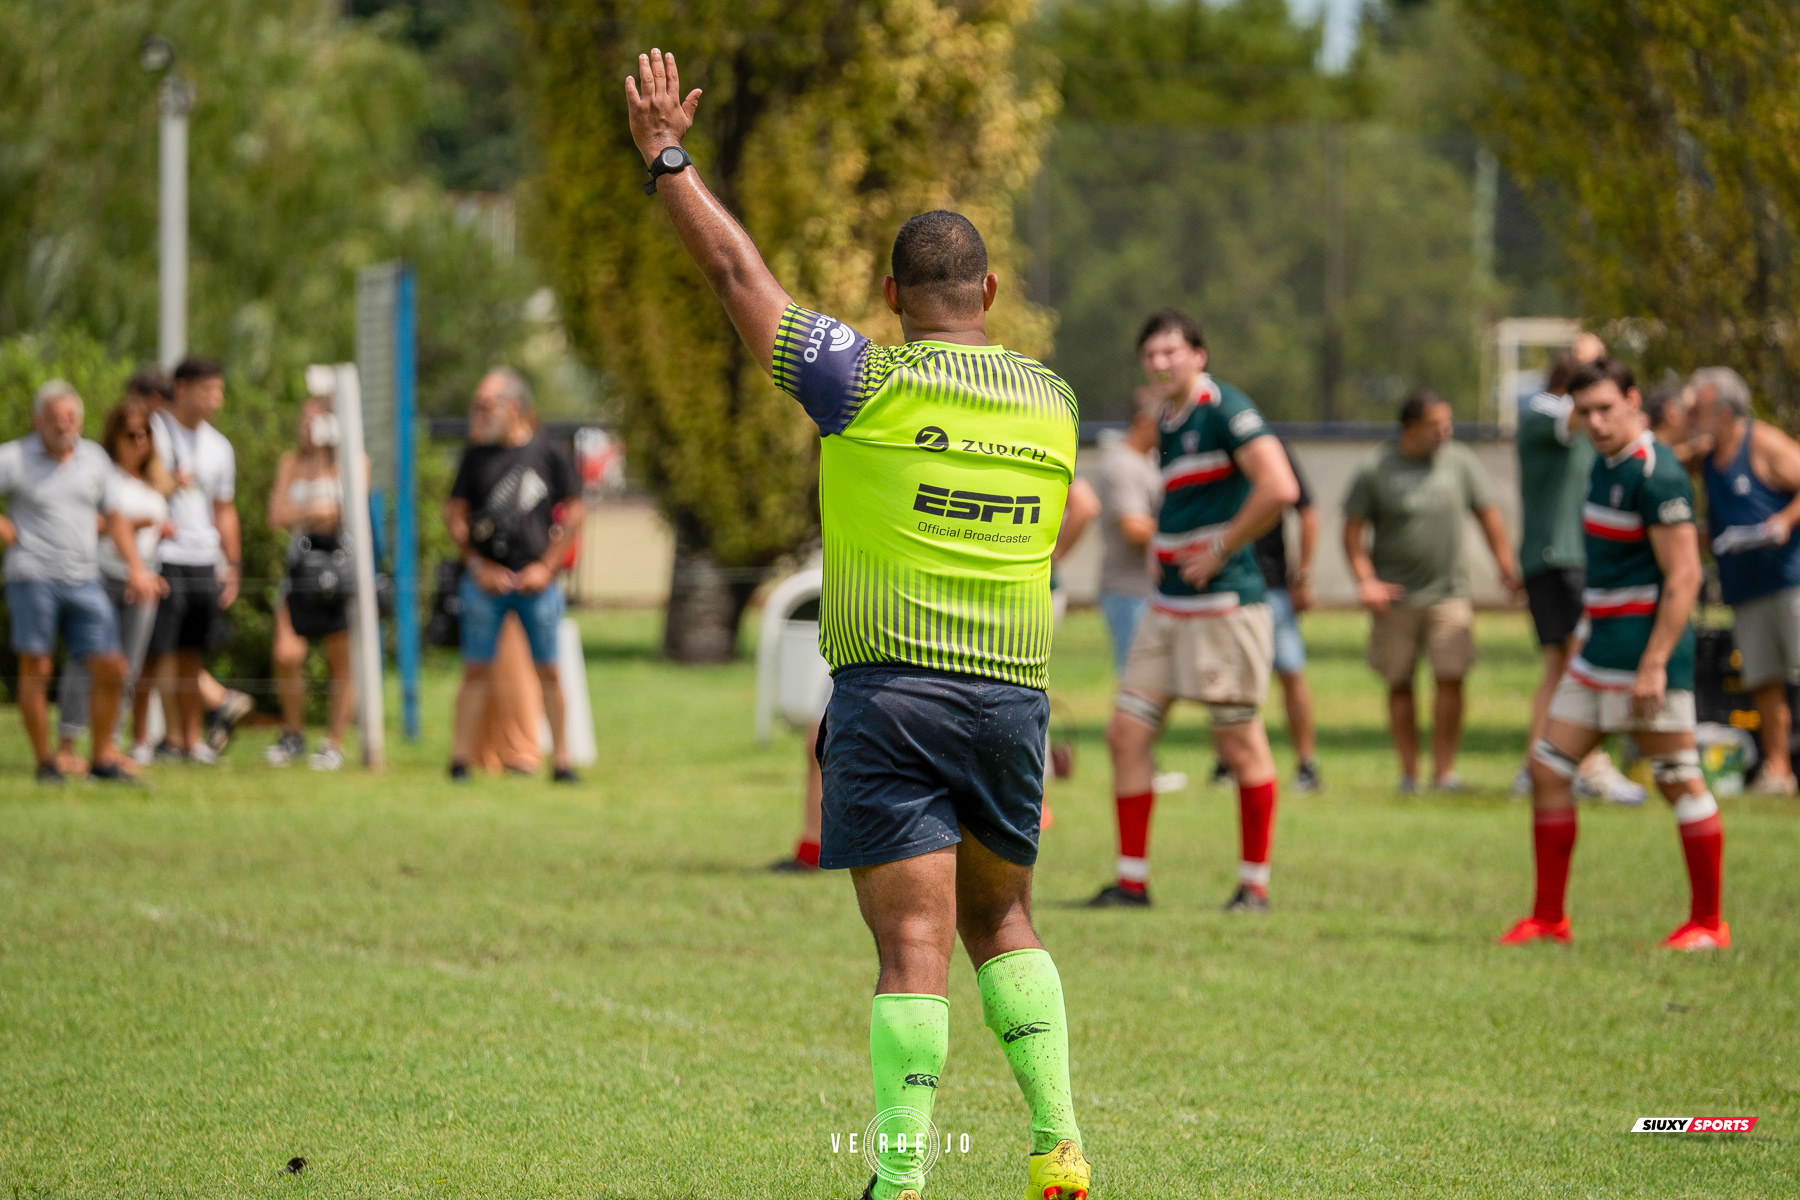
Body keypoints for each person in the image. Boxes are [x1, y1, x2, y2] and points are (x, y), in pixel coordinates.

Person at [626, 49, 1090, 1200]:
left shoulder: (861, 382)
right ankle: (1059, 1145)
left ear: (892, 296)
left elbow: (736, 271)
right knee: (1007, 922)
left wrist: (668, 157)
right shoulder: (1054, 402)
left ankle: (899, 1178)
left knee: (912, 950)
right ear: (989, 293)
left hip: (895, 697)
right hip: (1013, 697)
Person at [1501, 357, 1728, 950]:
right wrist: (1584, 634)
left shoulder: (1658, 473)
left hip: (1644, 659)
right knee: (1549, 769)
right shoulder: (1602, 466)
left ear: (1632, 401)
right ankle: (1549, 920)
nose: (1595, 422)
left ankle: (1709, 925)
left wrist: (1654, 664)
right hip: (1596, 653)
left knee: (1678, 780)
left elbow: (1685, 576)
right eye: (1585, 412)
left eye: (1605, 408)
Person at [1090, 309, 1300, 913]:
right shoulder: (1165, 418)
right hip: (1167, 605)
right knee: (1126, 734)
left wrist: (1220, 547)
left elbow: (1279, 487)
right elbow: (1179, 503)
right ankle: (1131, 883)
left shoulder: (1225, 407)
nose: (1160, 363)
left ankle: (1253, 887)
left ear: (1198, 356)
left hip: (1223, 605)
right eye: (1150, 354)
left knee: (1237, 744)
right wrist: (1161, 545)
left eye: (1171, 352)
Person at [1343, 389, 1521, 792]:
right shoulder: (1376, 468)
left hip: (1449, 592)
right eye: (1435, 425)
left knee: (1451, 678)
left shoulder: (1460, 461)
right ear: (1409, 428)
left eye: (1448, 423)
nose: (1446, 431)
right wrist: (1366, 580)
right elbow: (1352, 532)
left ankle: (1444, 773)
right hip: (1395, 598)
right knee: (1399, 683)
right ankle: (1409, 775)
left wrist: (1506, 567)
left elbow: (1488, 515)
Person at [0, 381, 159, 783]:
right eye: (55, 417)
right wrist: (4, 529)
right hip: (32, 575)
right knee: (38, 666)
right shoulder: (14, 458)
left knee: (111, 666)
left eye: (70, 417)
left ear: (81, 420)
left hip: (84, 577)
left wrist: (136, 567)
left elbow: (115, 517)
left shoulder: (94, 459)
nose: (63, 425)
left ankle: (102, 758)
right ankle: (46, 762)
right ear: (37, 420)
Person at [1512, 345, 1646, 805]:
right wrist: (1592, 360)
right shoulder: (1543, 412)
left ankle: (1539, 764)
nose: (1596, 418)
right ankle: (1586, 765)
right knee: (1583, 662)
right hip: (1560, 557)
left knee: (1561, 664)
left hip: (1562, 557)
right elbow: (1581, 415)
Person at [445, 367, 585, 784]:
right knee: (475, 670)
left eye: (486, 405)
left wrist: (548, 566)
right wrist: (477, 565)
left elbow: (575, 510)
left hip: (537, 585)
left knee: (550, 671)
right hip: (485, 586)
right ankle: (460, 762)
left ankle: (562, 763)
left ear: (514, 406)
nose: (479, 413)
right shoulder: (475, 456)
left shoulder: (549, 452)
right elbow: (454, 514)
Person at [1693, 365, 1800, 795]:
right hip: (1744, 590)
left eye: (1699, 409)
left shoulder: (1763, 442)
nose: (1694, 418)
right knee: (1763, 681)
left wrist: (1784, 520)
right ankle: (1779, 771)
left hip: (1790, 581)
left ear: (1723, 412)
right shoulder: (1704, 456)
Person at [53, 394, 173, 770]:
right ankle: (68, 743)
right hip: (101, 576)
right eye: (130, 434)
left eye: (144, 434)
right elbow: (85, 523)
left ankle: (109, 746)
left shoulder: (155, 482)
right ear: (114, 437)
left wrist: (156, 542)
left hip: (143, 583)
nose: (139, 442)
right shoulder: (99, 472)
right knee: (84, 661)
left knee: (126, 669)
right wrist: (133, 525)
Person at [146, 357, 241, 764]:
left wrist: (232, 564)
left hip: (204, 559)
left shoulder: (220, 447)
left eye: (219, 390)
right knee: (156, 654)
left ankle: (190, 741)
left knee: (191, 654)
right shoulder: (151, 431)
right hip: (163, 555)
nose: (215, 399)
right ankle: (148, 740)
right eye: (207, 390)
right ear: (180, 388)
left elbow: (224, 509)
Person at [264, 395, 356, 771]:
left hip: (339, 569)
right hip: (300, 570)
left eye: (314, 421)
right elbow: (276, 515)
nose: (307, 428)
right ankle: (293, 735)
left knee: (341, 658)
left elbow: (349, 512)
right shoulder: (291, 462)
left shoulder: (352, 462)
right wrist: (313, 510)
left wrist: (315, 510)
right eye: (303, 421)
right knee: (286, 653)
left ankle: (334, 742)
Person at [1251, 436, 1321, 793]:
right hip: (1225, 585)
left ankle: (1306, 764)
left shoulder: (1269, 447)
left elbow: (1306, 510)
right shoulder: (1208, 443)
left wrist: (1302, 575)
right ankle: (1228, 763)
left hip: (1273, 584)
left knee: (1291, 673)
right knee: (1230, 679)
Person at [1092, 388, 1163, 671]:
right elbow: (1134, 529)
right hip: (1129, 592)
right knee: (1137, 680)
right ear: (1144, 421)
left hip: (1151, 590)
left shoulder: (1152, 459)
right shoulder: (1121, 465)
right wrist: (1185, 532)